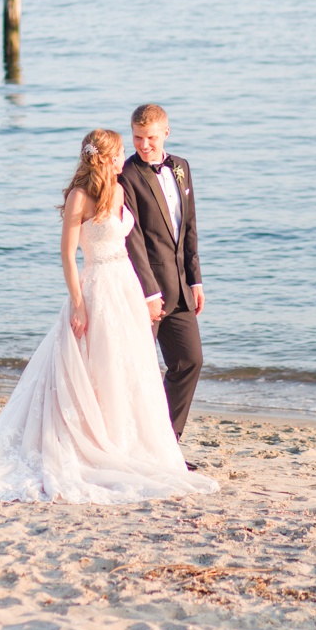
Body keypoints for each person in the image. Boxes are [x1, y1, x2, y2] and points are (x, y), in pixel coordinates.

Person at [0, 129, 216, 504]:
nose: (126, 157)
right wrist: (78, 303)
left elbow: (141, 240)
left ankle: (125, 442)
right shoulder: (80, 197)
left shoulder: (120, 190)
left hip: (125, 287)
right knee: (93, 368)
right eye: (121, 151)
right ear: (107, 157)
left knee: (127, 369)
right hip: (95, 287)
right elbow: (67, 255)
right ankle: (86, 442)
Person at [118, 104, 204, 447]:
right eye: (138, 138)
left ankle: (166, 443)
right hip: (145, 291)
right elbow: (133, 237)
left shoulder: (181, 167)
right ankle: (132, 442)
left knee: (189, 361)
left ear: (165, 133)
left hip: (182, 287)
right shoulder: (126, 175)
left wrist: (196, 280)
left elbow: (190, 227)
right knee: (135, 371)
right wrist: (150, 293)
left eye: (150, 137)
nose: (144, 145)